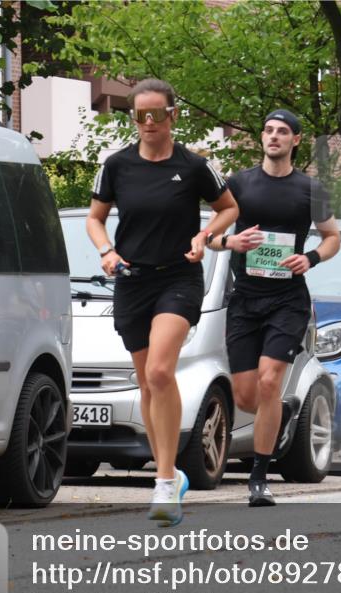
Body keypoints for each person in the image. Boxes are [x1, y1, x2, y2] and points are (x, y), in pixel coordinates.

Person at [86, 79, 239, 523]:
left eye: (157, 115)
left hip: (178, 278)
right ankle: (169, 476)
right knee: (147, 383)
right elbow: (96, 219)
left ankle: (165, 481)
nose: (149, 123)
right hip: (132, 280)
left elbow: (228, 207)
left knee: (159, 370)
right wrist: (106, 251)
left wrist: (204, 234)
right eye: (140, 116)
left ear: (172, 115)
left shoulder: (193, 166)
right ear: (134, 118)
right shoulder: (116, 165)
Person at [209, 109, 340, 507]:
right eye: (268, 130)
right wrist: (231, 243)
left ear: (295, 141)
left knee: (269, 383)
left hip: (287, 299)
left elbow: (333, 237)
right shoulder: (239, 184)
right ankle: (279, 413)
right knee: (247, 395)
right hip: (245, 300)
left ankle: (259, 477)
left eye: (282, 132)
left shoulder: (310, 189)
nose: (274, 137)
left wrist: (311, 258)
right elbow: (210, 238)